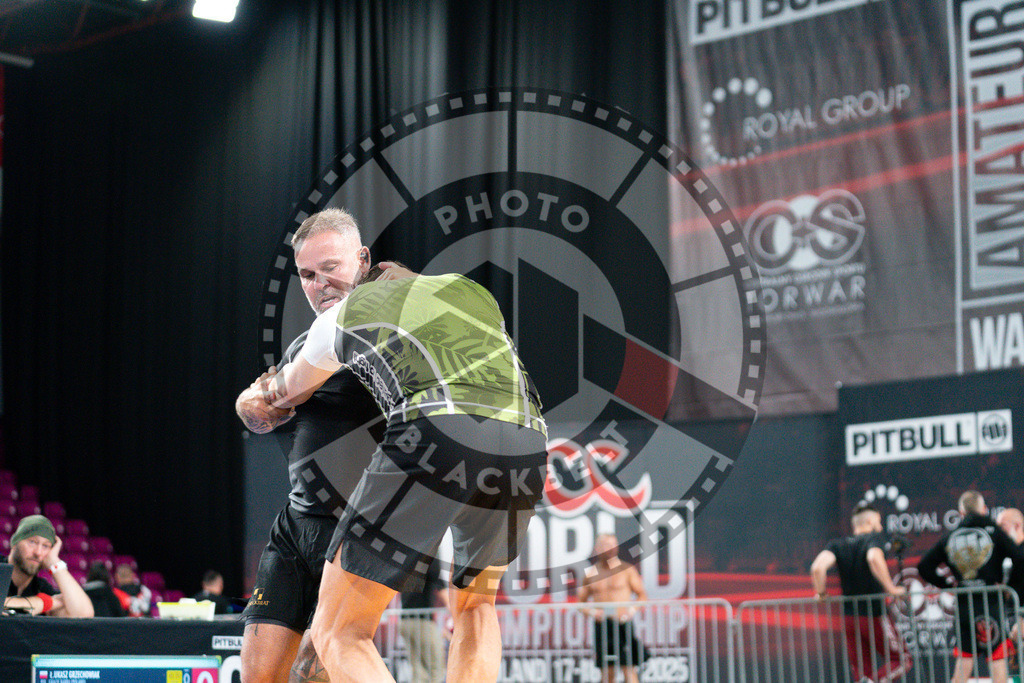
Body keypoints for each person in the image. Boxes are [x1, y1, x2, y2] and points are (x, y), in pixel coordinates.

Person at [261, 263, 547, 683]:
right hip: (528, 440)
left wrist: (256, 397)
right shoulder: (469, 292)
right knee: (476, 607)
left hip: (440, 428)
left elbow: (285, 392)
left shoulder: (343, 314)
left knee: (337, 631)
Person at [236, 207, 383, 683]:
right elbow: (259, 406)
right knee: (260, 676)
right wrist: (247, 403)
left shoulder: (387, 329)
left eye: (331, 269)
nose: (319, 284)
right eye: (306, 275)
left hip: (352, 525)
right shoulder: (308, 341)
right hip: (296, 521)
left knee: (314, 670)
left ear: (362, 260)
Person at [919, 491, 1024, 683]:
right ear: (984, 509)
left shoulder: (951, 536)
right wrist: (1007, 587)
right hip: (990, 605)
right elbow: (1019, 556)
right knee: (997, 660)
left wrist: (948, 584)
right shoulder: (993, 531)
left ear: (961, 512)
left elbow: (924, 566)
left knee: (964, 662)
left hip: (964, 606)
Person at [811, 502, 910, 683]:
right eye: (878, 522)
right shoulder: (873, 539)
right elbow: (873, 558)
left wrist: (821, 594)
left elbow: (817, 568)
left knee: (862, 672)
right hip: (873, 613)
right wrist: (892, 589)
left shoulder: (837, 545)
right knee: (902, 660)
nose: (880, 527)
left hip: (849, 618)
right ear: (870, 522)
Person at [577, 533, 649, 683]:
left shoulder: (626, 570)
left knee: (629, 670)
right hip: (602, 626)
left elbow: (642, 596)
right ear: (598, 549)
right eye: (606, 545)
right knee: (607, 673)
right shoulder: (591, 573)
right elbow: (580, 603)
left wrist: (631, 611)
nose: (610, 549)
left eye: (613, 545)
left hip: (622, 624)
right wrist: (592, 612)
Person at [3, 514, 94, 617]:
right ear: (15, 543)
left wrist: (54, 563)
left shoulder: (41, 588)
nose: (38, 552)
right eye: (32, 542)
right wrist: (42, 603)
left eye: (45, 546)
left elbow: (83, 614)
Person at [399, 557, 449, 683]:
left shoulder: (407, 558)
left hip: (405, 621)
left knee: (419, 672)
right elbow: (441, 587)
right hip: (422, 622)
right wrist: (455, 613)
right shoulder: (431, 559)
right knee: (436, 669)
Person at [997, 508, 1024, 651]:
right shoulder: (1003, 553)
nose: (999, 532)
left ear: (1017, 526)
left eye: (1003, 526)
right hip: (1007, 616)